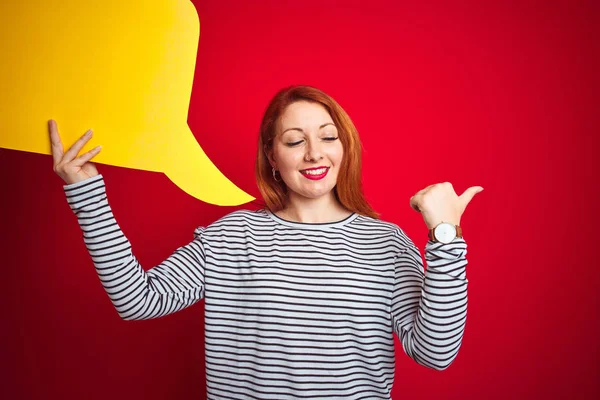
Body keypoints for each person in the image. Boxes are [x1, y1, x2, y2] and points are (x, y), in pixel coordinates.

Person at [49, 85, 482, 399]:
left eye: (328, 136)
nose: (315, 152)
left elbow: (435, 353)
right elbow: (138, 300)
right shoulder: (230, 238)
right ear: (273, 157)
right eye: (295, 140)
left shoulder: (387, 244)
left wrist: (445, 237)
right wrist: (88, 196)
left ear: (345, 148)